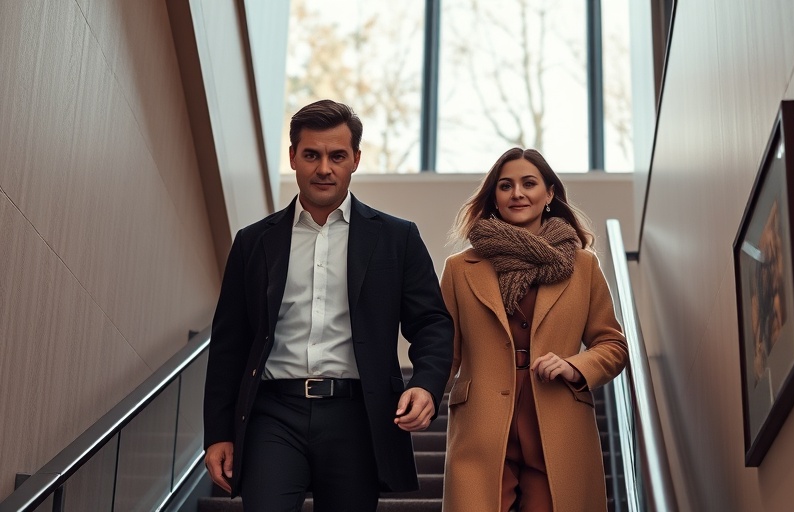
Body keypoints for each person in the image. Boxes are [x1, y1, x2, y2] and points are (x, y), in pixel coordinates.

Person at [202, 99, 454, 512]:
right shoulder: (253, 242)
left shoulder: (397, 238)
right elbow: (230, 342)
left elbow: (432, 323)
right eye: (311, 155)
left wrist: (425, 384)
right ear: (293, 158)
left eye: (337, 156)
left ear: (355, 159)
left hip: (357, 417)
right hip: (272, 414)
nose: (324, 168)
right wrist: (218, 433)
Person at [440, 147, 628, 512]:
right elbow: (446, 352)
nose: (517, 193)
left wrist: (575, 366)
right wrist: (423, 393)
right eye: (505, 186)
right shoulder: (460, 269)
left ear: (549, 193)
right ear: (494, 197)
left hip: (556, 421)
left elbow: (612, 344)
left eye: (529, 183)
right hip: (481, 423)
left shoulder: (583, 266)